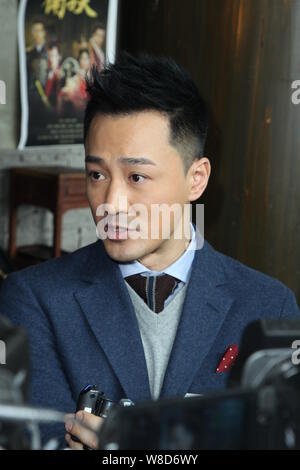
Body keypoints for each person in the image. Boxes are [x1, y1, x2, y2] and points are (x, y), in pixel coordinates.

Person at [0, 53, 299, 449]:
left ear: (196, 179)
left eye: (137, 176)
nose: (112, 202)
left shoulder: (267, 305)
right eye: (97, 174)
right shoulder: (36, 300)